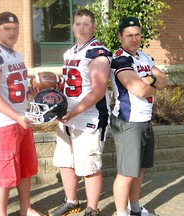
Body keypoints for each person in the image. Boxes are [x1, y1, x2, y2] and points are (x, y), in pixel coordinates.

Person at [0, 12, 42, 216]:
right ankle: (2, 214)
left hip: (20, 119)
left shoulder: (16, 55)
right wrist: (16, 117)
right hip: (3, 122)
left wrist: (28, 91)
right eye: (7, 29)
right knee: (5, 174)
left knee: (25, 168)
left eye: (15, 29)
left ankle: (26, 209)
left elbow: (12, 87)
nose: (12, 32)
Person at [50, 9, 111, 216]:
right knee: (65, 161)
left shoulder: (98, 52)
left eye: (86, 24)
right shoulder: (70, 52)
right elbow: (68, 84)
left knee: (89, 166)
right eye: (78, 23)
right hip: (68, 116)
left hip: (89, 117)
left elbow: (98, 90)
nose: (82, 27)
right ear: (73, 27)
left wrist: (73, 112)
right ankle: (71, 201)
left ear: (93, 27)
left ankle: (92, 208)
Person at [110, 17, 168, 216]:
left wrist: (148, 79)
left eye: (137, 34)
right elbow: (140, 90)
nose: (134, 39)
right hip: (129, 121)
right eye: (129, 35)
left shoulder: (143, 56)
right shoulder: (119, 59)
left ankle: (135, 208)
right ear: (120, 36)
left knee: (140, 170)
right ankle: (121, 212)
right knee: (126, 173)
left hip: (145, 119)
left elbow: (163, 80)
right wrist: (151, 82)